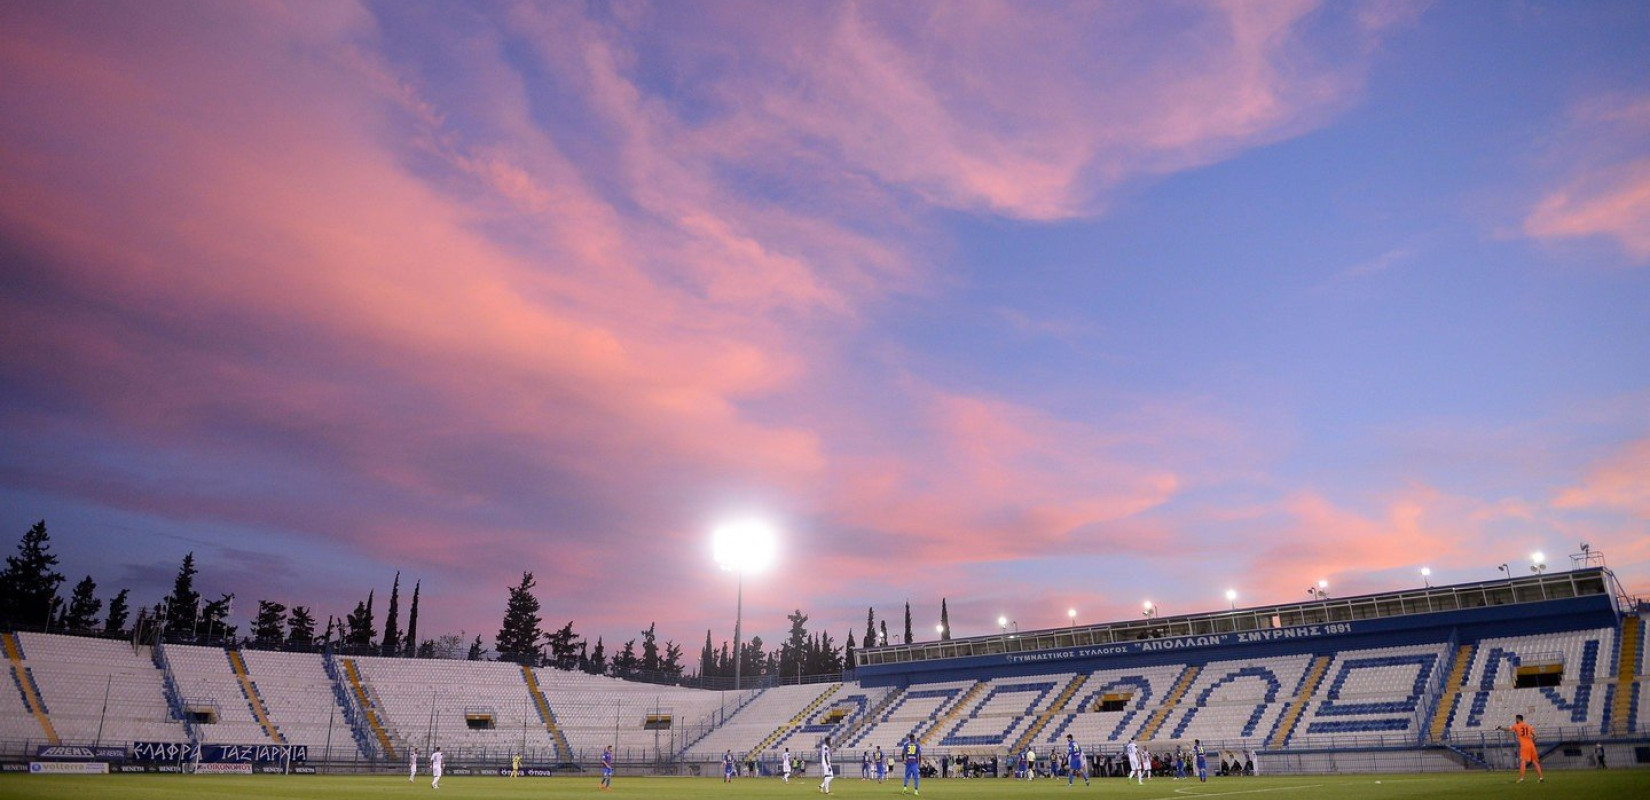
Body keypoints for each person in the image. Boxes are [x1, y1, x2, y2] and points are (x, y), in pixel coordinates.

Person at [1496, 714, 1544, 783]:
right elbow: (1536, 736)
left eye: (1516, 719)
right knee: (1535, 762)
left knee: (1523, 761)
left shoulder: (1516, 726)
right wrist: (1532, 740)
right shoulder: (1528, 726)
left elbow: (1508, 729)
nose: (1515, 720)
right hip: (1531, 745)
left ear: (1518, 719)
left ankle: (1522, 779)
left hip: (1524, 746)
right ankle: (1541, 778)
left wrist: (1501, 728)